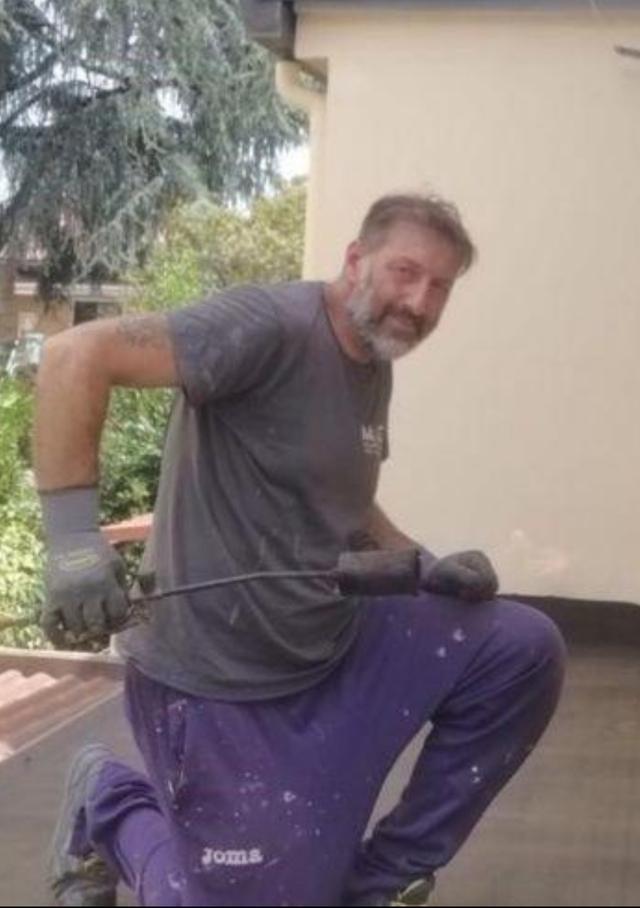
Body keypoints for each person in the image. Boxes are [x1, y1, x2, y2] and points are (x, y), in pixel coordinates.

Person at [36, 193, 566, 908]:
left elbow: (341, 498)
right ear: (355, 259)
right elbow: (75, 356)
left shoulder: (370, 359)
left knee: (521, 650)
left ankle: (379, 883)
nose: (419, 301)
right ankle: (104, 798)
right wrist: (74, 547)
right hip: (213, 676)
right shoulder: (269, 326)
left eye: (439, 286)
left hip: (326, 641)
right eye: (405, 271)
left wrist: (425, 563)